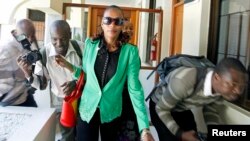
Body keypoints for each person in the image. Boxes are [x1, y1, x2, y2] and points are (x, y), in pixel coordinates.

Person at [55, 5, 155, 141]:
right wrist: (69, 66)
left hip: (111, 110)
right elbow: (85, 76)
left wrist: (145, 129)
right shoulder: (90, 45)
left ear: (122, 25)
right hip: (87, 108)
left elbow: (135, 89)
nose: (112, 25)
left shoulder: (130, 52)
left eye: (117, 21)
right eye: (108, 20)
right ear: (102, 23)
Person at [149, 57, 248, 141]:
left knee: (194, 137)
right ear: (217, 78)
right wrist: (180, 133)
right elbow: (161, 109)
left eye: (241, 86)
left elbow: (211, 109)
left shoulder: (221, 88)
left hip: (181, 107)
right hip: (160, 106)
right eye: (233, 84)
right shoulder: (183, 82)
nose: (238, 91)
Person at [18, 20, 83, 141]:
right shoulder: (43, 53)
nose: (59, 44)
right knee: (67, 137)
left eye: (63, 39)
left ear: (70, 34)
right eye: (54, 39)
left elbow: (91, 74)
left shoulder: (81, 48)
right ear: (50, 37)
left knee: (83, 135)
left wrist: (76, 83)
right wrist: (28, 73)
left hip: (83, 100)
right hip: (61, 101)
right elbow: (42, 85)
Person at [0, 19, 38, 107]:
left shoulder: (25, 44)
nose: (30, 39)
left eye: (32, 35)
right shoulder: (5, 49)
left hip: (25, 95)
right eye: (26, 36)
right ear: (16, 33)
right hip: (10, 102)